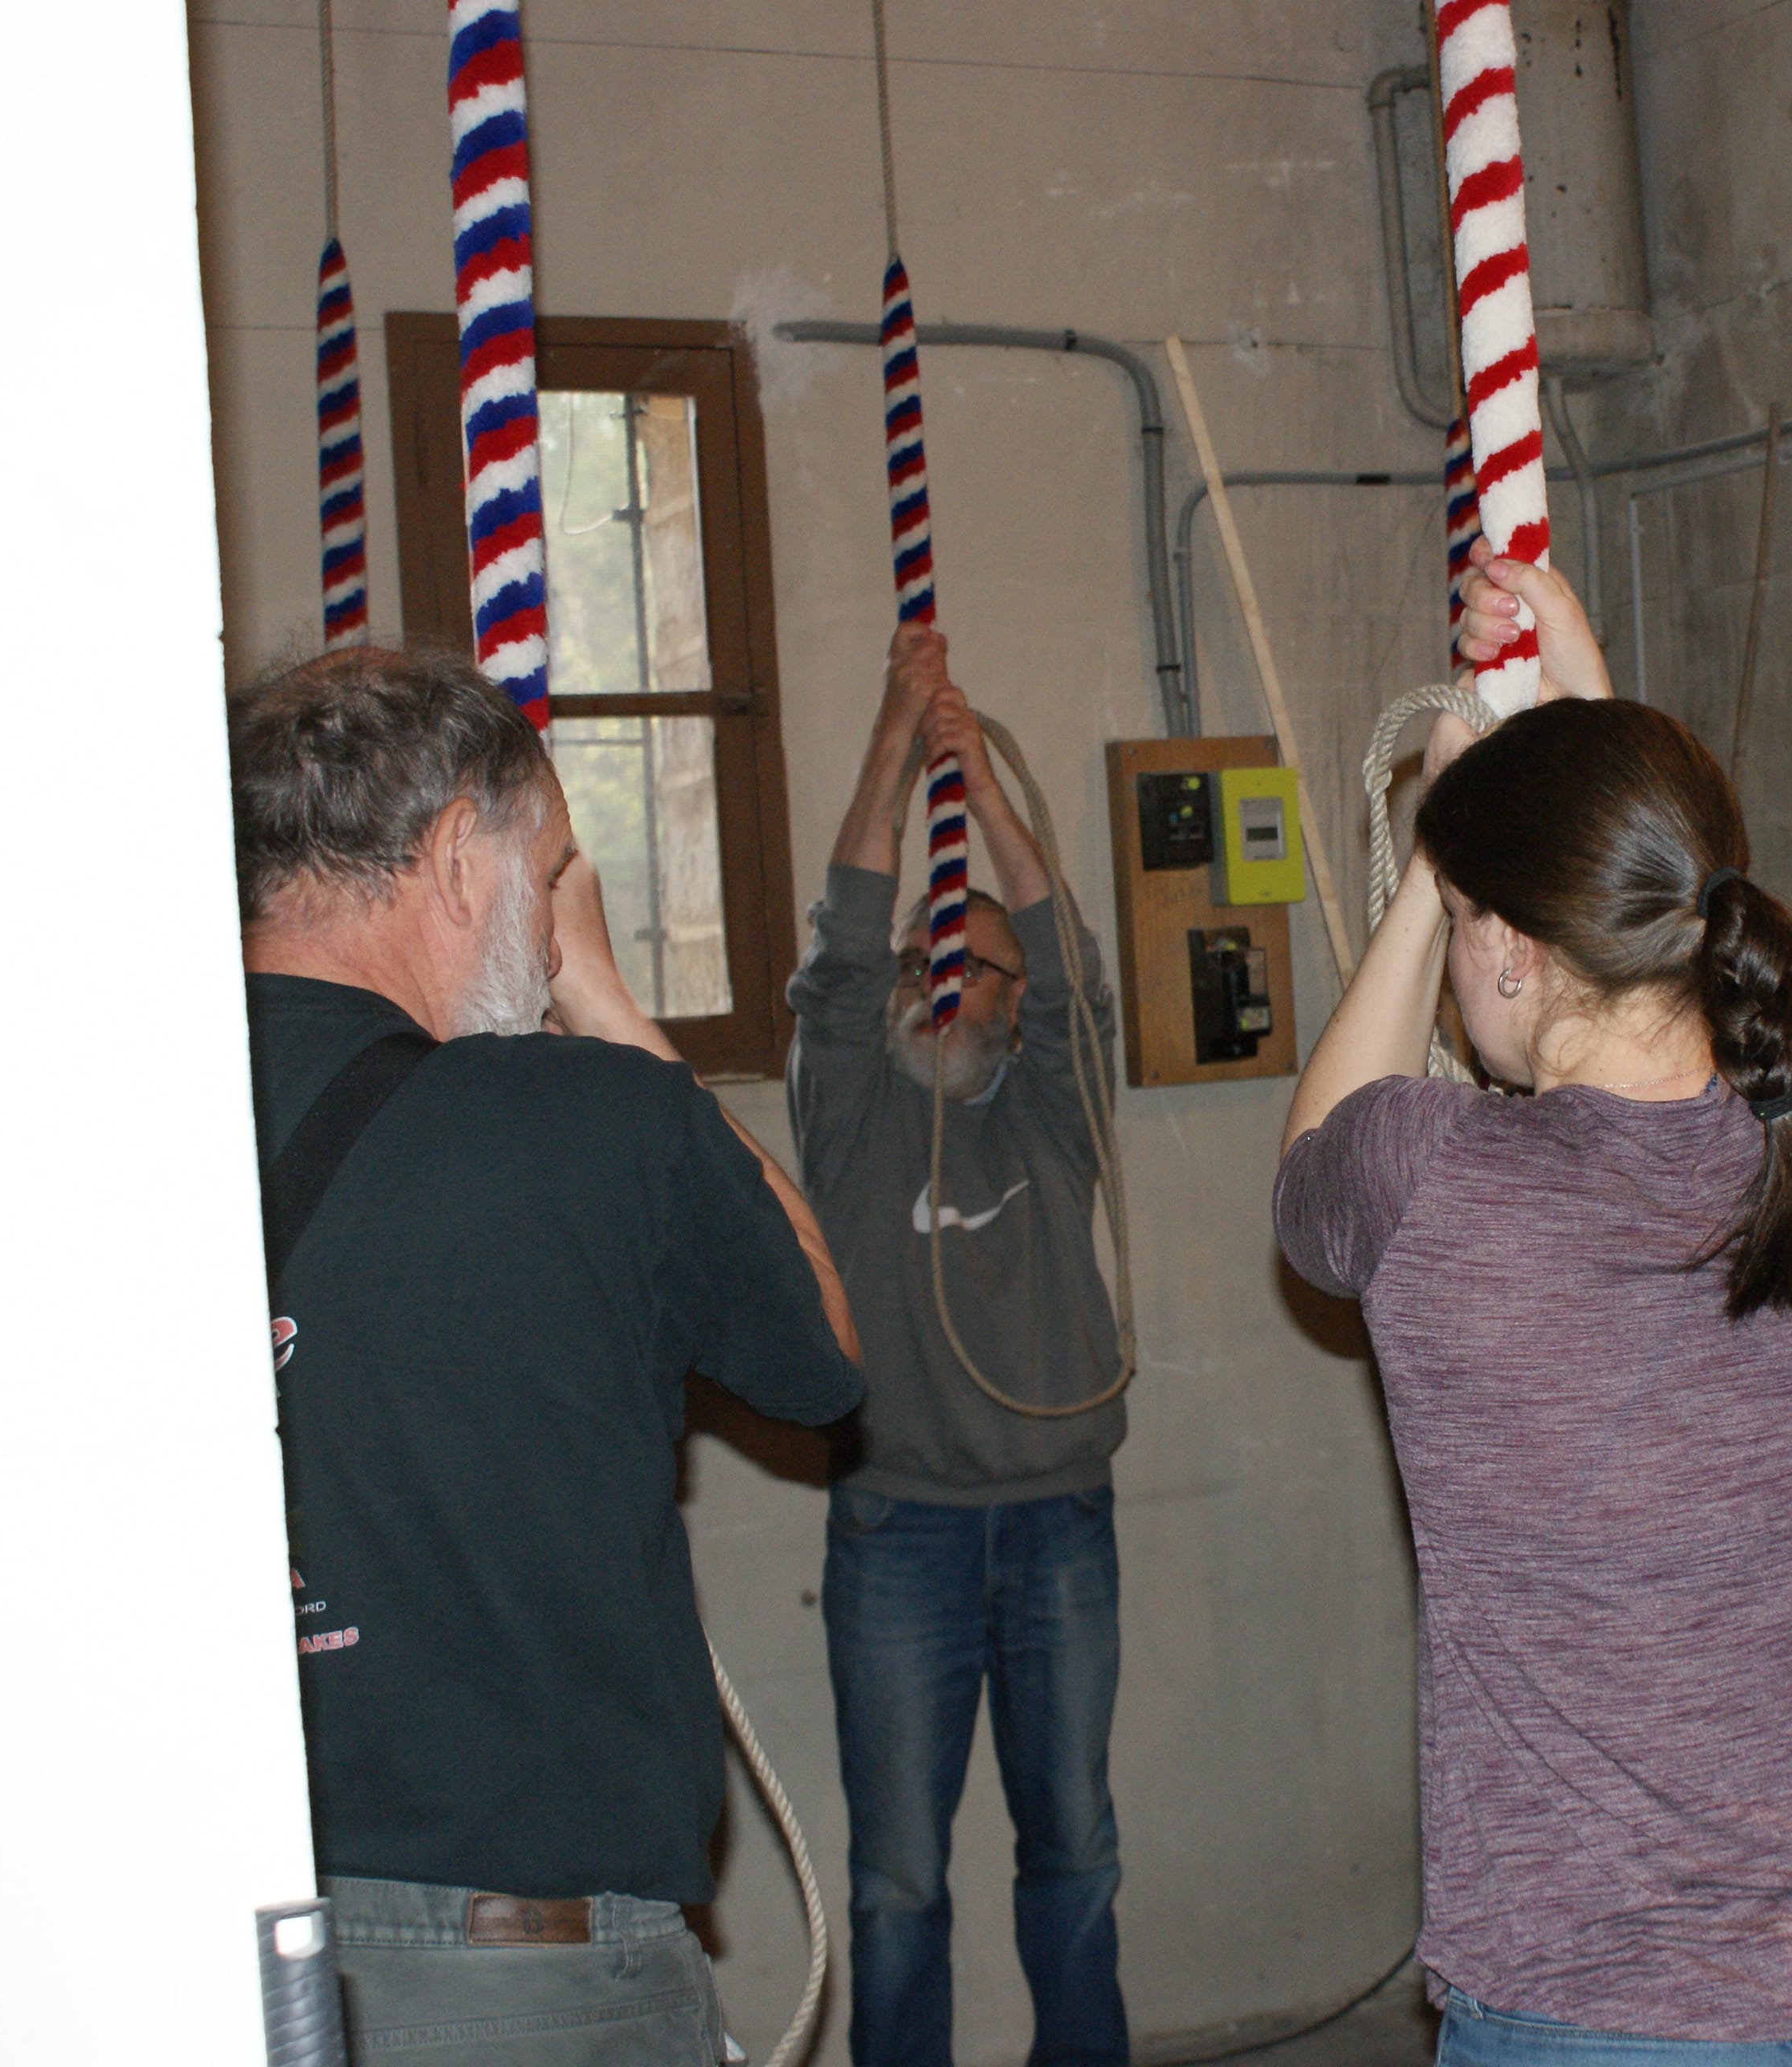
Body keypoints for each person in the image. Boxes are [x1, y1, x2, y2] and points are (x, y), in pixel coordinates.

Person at [1270, 546, 1792, 2065]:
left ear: (1511, 946)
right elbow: (1679, 932)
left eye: (1478, 916)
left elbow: (1311, 1175)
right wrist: (1578, 714)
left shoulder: (1428, 1177)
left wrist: (1439, 852)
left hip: (1608, 2009)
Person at [231, 645, 864, 2065]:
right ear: (462, 851)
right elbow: (826, 1354)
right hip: (520, 1985)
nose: (551, 899)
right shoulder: (590, 1122)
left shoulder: (102, 1101)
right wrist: (599, 992)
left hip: (206, 1942)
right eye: (553, 865)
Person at [787, 626, 1128, 2067]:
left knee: (1076, 1855)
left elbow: (1073, 983)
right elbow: (844, 936)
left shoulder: (1055, 1118)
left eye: (978, 965)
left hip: (1055, 1523)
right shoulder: (856, 1120)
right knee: (898, 1886)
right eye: (932, 958)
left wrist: (984, 791)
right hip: (899, 1537)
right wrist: (890, 737)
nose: (951, 981)